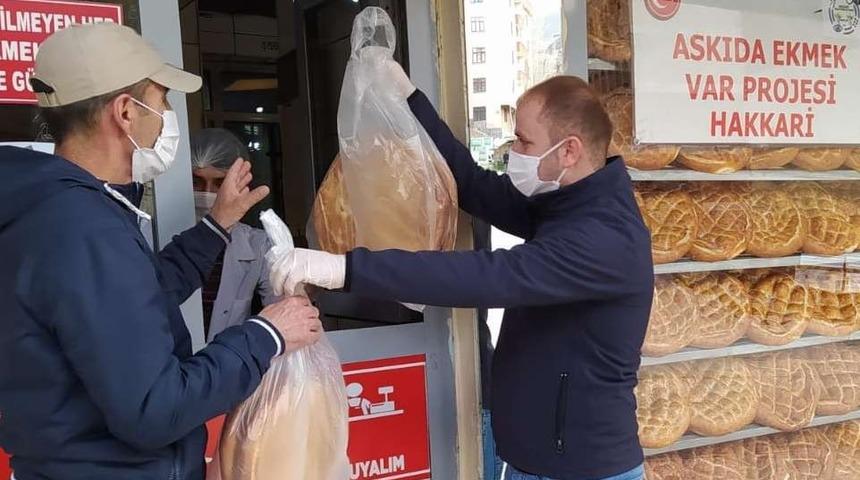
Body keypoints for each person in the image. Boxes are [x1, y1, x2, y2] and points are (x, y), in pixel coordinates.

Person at [271, 66, 654, 480]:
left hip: (584, 468)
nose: (515, 151)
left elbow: (487, 276)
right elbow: (472, 185)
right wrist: (410, 99)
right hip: (539, 461)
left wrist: (344, 268)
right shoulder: (566, 203)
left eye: (525, 141)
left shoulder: (606, 239)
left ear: (569, 151)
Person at [0, 23, 322, 480]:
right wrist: (266, 334)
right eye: (162, 98)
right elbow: (154, 409)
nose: (167, 112)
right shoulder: (83, 227)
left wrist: (217, 224)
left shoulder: (62, 208)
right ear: (126, 113)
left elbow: (134, 303)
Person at [190, 128, 280, 341]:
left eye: (220, 184)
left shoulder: (259, 244)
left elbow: (281, 311)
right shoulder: (156, 237)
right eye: (197, 182)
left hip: (227, 365)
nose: (208, 193)